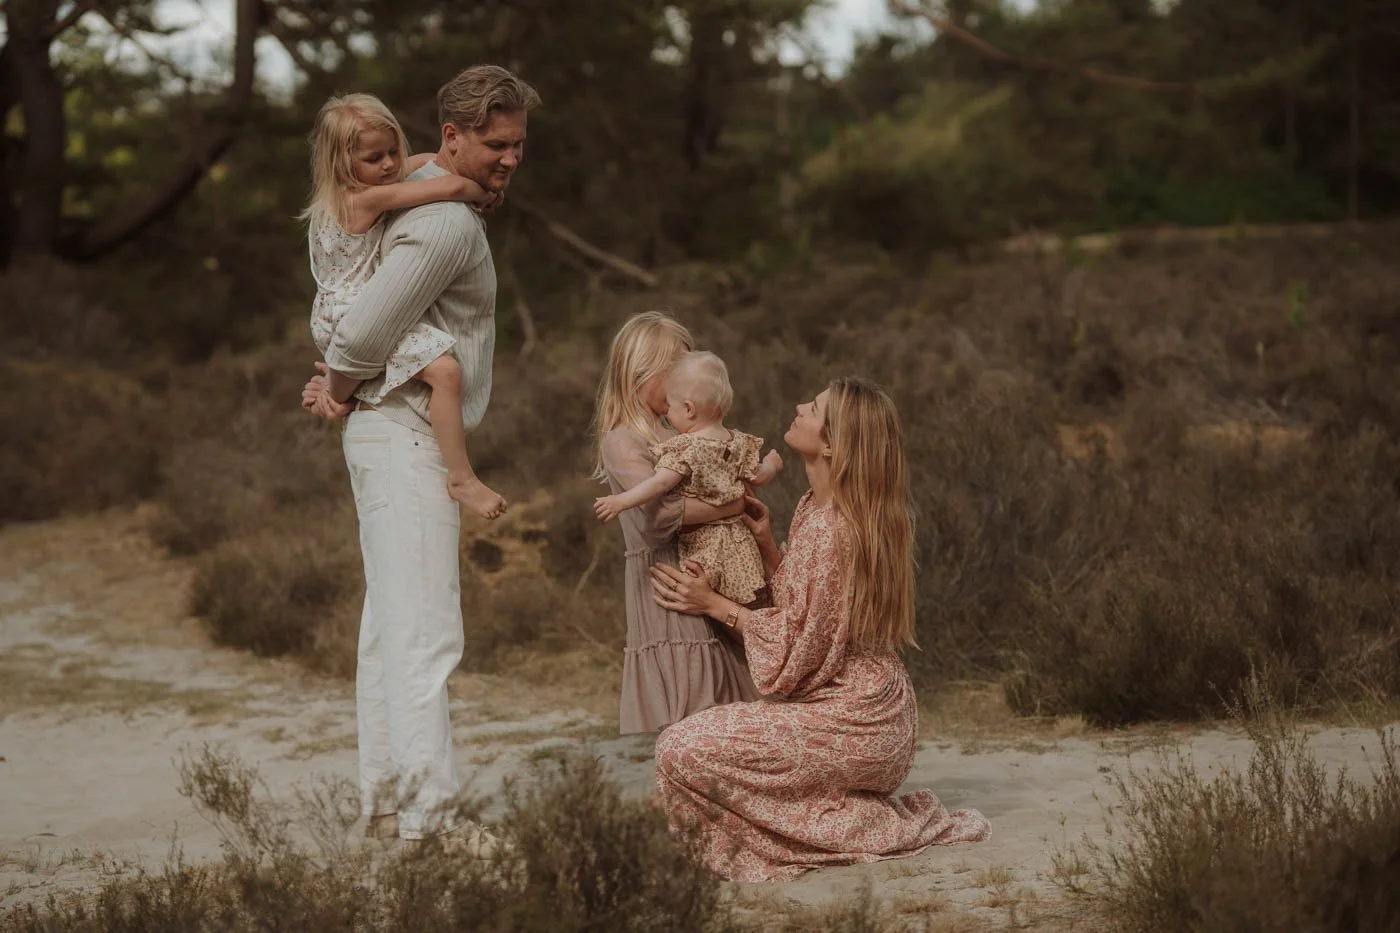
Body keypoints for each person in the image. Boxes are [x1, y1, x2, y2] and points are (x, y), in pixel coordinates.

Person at [300, 65, 540, 845]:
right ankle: (432, 823)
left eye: (518, 145)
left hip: (387, 430)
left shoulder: (422, 187)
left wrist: (342, 386)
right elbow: (364, 332)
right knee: (427, 632)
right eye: (496, 145)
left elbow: (396, 187)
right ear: (452, 137)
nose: (509, 158)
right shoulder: (446, 224)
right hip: (403, 436)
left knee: (391, 628)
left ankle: (386, 805)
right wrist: (336, 383)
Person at [650, 378, 991, 882]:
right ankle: (824, 811)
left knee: (680, 748)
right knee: (683, 749)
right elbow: (813, 607)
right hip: (864, 707)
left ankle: (872, 823)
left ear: (831, 443)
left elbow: (796, 647)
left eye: (811, 408)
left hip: (858, 720)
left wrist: (714, 604)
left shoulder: (836, 529)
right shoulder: (818, 507)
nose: (797, 407)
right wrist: (768, 545)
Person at [302, 92, 507, 520]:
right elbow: (450, 186)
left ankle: (334, 389)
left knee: (434, 371)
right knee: (447, 372)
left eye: (394, 150)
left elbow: (425, 160)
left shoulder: (362, 186)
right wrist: (481, 192)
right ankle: (461, 477)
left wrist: (420, 159)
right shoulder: (361, 199)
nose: (390, 165)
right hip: (350, 312)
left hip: (344, 312)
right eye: (375, 158)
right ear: (343, 165)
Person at [591, 313, 760, 735]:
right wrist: (731, 506)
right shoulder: (623, 440)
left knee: (730, 701)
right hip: (666, 585)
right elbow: (659, 518)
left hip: (707, 575)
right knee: (692, 701)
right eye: (677, 369)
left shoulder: (681, 435)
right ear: (644, 373)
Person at [593, 350, 783, 607]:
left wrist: (621, 502)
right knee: (753, 602)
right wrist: (772, 464)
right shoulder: (737, 441)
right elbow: (758, 476)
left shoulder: (687, 449)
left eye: (670, 407)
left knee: (713, 602)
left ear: (688, 409)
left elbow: (659, 484)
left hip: (706, 548)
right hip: (741, 543)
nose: (667, 414)